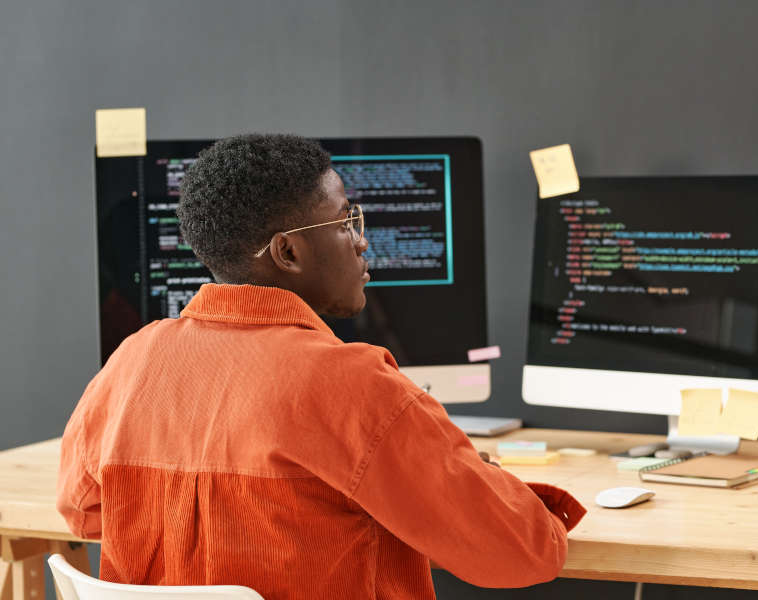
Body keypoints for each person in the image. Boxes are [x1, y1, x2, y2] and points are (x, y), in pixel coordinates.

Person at [57, 134, 586, 600]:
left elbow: (83, 513)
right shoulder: (354, 384)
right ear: (288, 251)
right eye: (345, 219)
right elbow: (523, 553)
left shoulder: (132, 360)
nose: (361, 239)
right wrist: (476, 478)